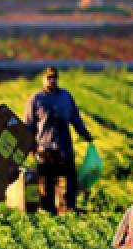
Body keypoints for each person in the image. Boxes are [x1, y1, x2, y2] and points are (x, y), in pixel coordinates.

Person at [22, 67, 94, 214]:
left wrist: (85, 134)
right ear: (43, 79)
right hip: (44, 148)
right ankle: (48, 209)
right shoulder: (35, 99)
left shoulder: (66, 97)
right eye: (49, 78)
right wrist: (30, 147)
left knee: (69, 179)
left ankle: (69, 207)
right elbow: (29, 125)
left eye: (54, 78)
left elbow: (75, 118)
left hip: (64, 147)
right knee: (46, 181)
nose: (52, 81)